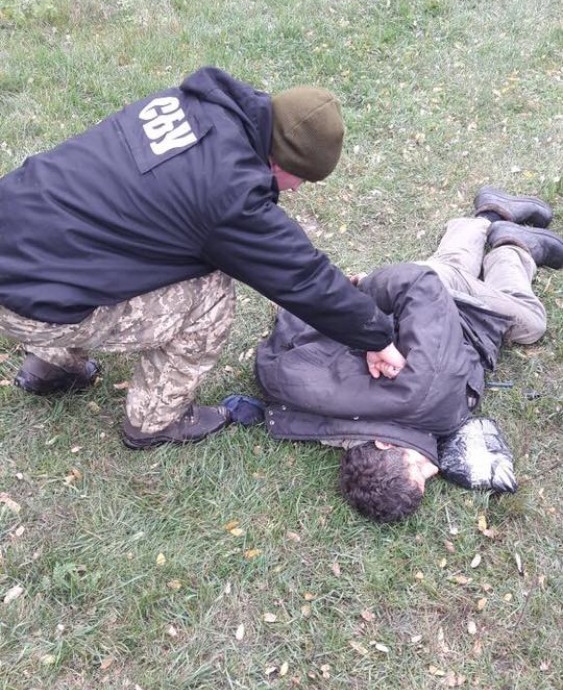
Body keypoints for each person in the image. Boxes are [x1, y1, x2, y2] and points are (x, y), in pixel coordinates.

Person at [0, 67, 404, 449]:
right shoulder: (229, 192)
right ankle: (155, 421)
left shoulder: (193, 105)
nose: (297, 189)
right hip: (31, 301)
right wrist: (377, 336)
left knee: (123, 241)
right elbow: (301, 277)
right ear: (281, 160)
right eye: (301, 178)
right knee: (210, 296)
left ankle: (53, 366)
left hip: (19, 230)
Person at [255, 187, 562, 522]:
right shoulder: (292, 401)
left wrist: (361, 297)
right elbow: (285, 337)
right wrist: (353, 307)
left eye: (418, 468)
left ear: (385, 444)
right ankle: (488, 214)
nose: (434, 469)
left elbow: (420, 284)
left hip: (440, 299)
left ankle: (512, 247)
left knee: (529, 322)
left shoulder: (429, 401)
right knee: (450, 265)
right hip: (408, 305)